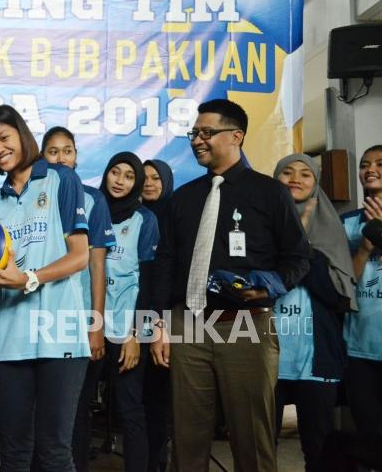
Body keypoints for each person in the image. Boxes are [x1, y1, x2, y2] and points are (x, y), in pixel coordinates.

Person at [150, 99, 310, 472]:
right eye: (194, 133)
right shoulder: (184, 198)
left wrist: (267, 285)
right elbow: (165, 263)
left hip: (247, 326)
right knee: (187, 440)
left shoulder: (269, 193)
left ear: (236, 136)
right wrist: (158, 325)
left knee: (251, 439)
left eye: (207, 132)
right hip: (188, 327)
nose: (197, 140)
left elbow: (299, 258)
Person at [0, 105, 90, 472]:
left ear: (22, 135)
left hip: (60, 336)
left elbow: (80, 256)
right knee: (14, 452)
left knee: (54, 451)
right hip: (10, 339)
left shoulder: (60, 180)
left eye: (4, 138)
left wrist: (28, 278)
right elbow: (2, 269)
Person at [271, 154, 356, 471]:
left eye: (305, 174)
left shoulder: (332, 231)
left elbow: (337, 297)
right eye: (287, 172)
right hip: (265, 354)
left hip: (316, 358)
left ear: (316, 183)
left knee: (319, 448)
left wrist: (301, 246)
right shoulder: (258, 228)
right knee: (258, 443)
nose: (295, 178)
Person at [39, 126, 115, 472]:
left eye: (66, 150)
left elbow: (97, 266)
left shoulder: (93, 199)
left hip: (75, 321)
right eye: (52, 151)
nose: (60, 158)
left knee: (72, 415)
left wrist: (95, 325)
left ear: (76, 155)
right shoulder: (31, 193)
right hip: (33, 316)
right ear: (41, 156)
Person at [100, 152, 159, 472]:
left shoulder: (145, 220)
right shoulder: (93, 212)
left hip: (129, 332)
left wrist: (138, 335)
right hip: (88, 329)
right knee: (78, 410)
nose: (120, 180)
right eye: (115, 172)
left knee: (130, 409)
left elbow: (149, 284)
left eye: (128, 175)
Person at [341, 145, 382, 440]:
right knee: (368, 434)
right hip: (360, 346)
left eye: (381, 163)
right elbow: (344, 284)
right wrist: (366, 247)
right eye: (364, 164)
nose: (370, 168)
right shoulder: (347, 223)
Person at [141, 159, 174, 472]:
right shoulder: (135, 217)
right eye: (145, 178)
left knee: (162, 394)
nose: (149, 183)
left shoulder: (175, 215)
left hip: (166, 315)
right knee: (145, 394)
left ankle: (160, 460)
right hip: (138, 315)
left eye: (155, 178)